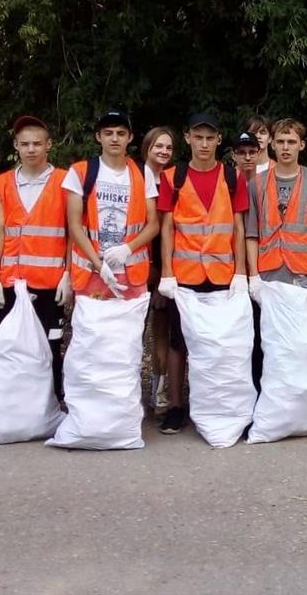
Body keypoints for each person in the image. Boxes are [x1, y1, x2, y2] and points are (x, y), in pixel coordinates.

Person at [155, 113, 250, 434]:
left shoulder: (233, 177)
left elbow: (238, 227)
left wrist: (241, 272)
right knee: (179, 342)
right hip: (185, 276)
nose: (204, 144)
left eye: (210, 138)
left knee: (221, 343)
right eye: (199, 137)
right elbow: (166, 227)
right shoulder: (173, 177)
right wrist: (166, 272)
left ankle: (217, 405)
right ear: (188, 138)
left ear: (219, 140)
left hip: (223, 275)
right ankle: (176, 406)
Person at [0, 115, 71, 404]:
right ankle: (15, 405)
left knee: (51, 344)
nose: (31, 149)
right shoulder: (4, 183)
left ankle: (52, 402)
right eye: (25, 144)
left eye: (37, 143)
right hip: (13, 281)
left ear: (49, 145)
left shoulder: (64, 181)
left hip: (50, 282)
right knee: (13, 346)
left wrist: (68, 273)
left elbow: (73, 231)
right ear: (16, 146)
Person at [62, 109, 159, 301]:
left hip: (131, 272)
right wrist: (99, 265)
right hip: (92, 271)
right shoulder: (81, 172)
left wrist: (127, 249)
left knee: (129, 330)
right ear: (98, 136)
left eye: (121, 133)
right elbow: (74, 226)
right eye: (108, 133)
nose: (115, 139)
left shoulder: (143, 173)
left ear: (130, 137)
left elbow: (154, 224)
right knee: (92, 330)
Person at [245, 118, 307, 294]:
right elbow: (252, 234)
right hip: (267, 273)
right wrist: (253, 274)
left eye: (291, 142)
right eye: (280, 142)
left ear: (301, 145)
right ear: (272, 144)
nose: (285, 147)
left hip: (303, 272)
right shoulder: (257, 183)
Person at [141, 125, 175, 411]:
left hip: (164, 266)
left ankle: (159, 390)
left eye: (168, 148)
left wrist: (165, 270)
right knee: (131, 332)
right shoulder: (131, 177)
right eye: (158, 146)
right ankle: (124, 391)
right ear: (147, 148)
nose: (163, 152)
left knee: (162, 330)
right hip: (136, 265)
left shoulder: (173, 179)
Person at [231, 130, 265, 390]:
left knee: (261, 332)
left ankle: (260, 387)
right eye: (242, 153)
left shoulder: (267, 184)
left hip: (263, 267)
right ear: (234, 156)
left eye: (252, 152)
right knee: (238, 334)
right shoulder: (228, 182)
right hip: (231, 269)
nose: (247, 158)